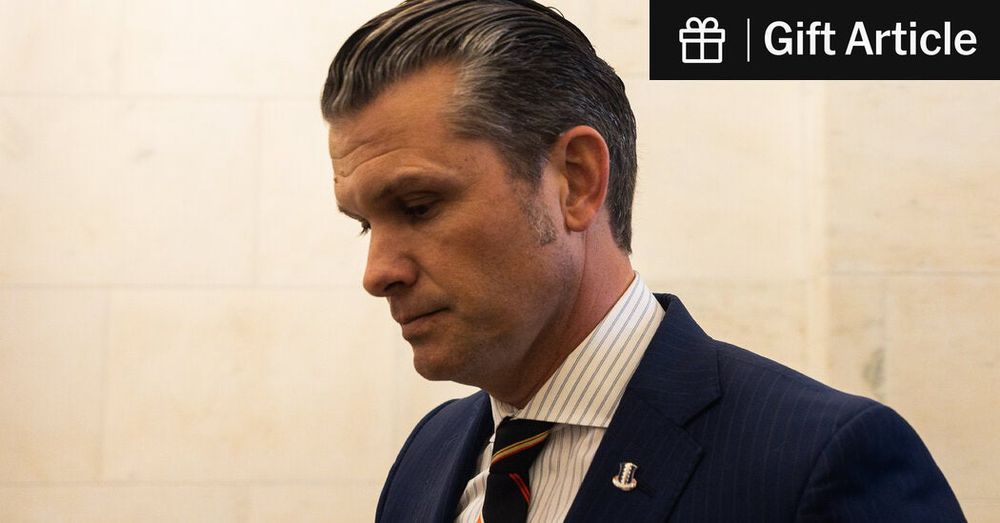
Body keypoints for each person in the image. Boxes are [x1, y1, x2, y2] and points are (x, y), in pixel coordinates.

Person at [321, 1, 965, 521]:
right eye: (365, 225)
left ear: (576, 182)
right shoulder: (429, 455)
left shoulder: (818, 460)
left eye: (419, 205)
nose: (377, 273)